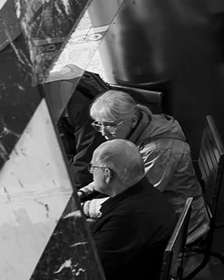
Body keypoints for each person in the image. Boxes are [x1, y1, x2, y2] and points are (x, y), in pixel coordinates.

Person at [83, 90, 209, 242]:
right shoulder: (143, 126)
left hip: (179, 224)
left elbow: (138, 199)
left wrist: (86, 207)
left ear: (133, 120)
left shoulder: (159, 150)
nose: (103, 133)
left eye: (110, 125)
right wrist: (84, 192)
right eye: (98, 125)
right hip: (160, 210)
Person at [85, 140, 179, 280]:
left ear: (107, 174)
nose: (90, 172)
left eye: (92, 167)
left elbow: (88, 273)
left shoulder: (126, 219)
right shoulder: (146, 194)